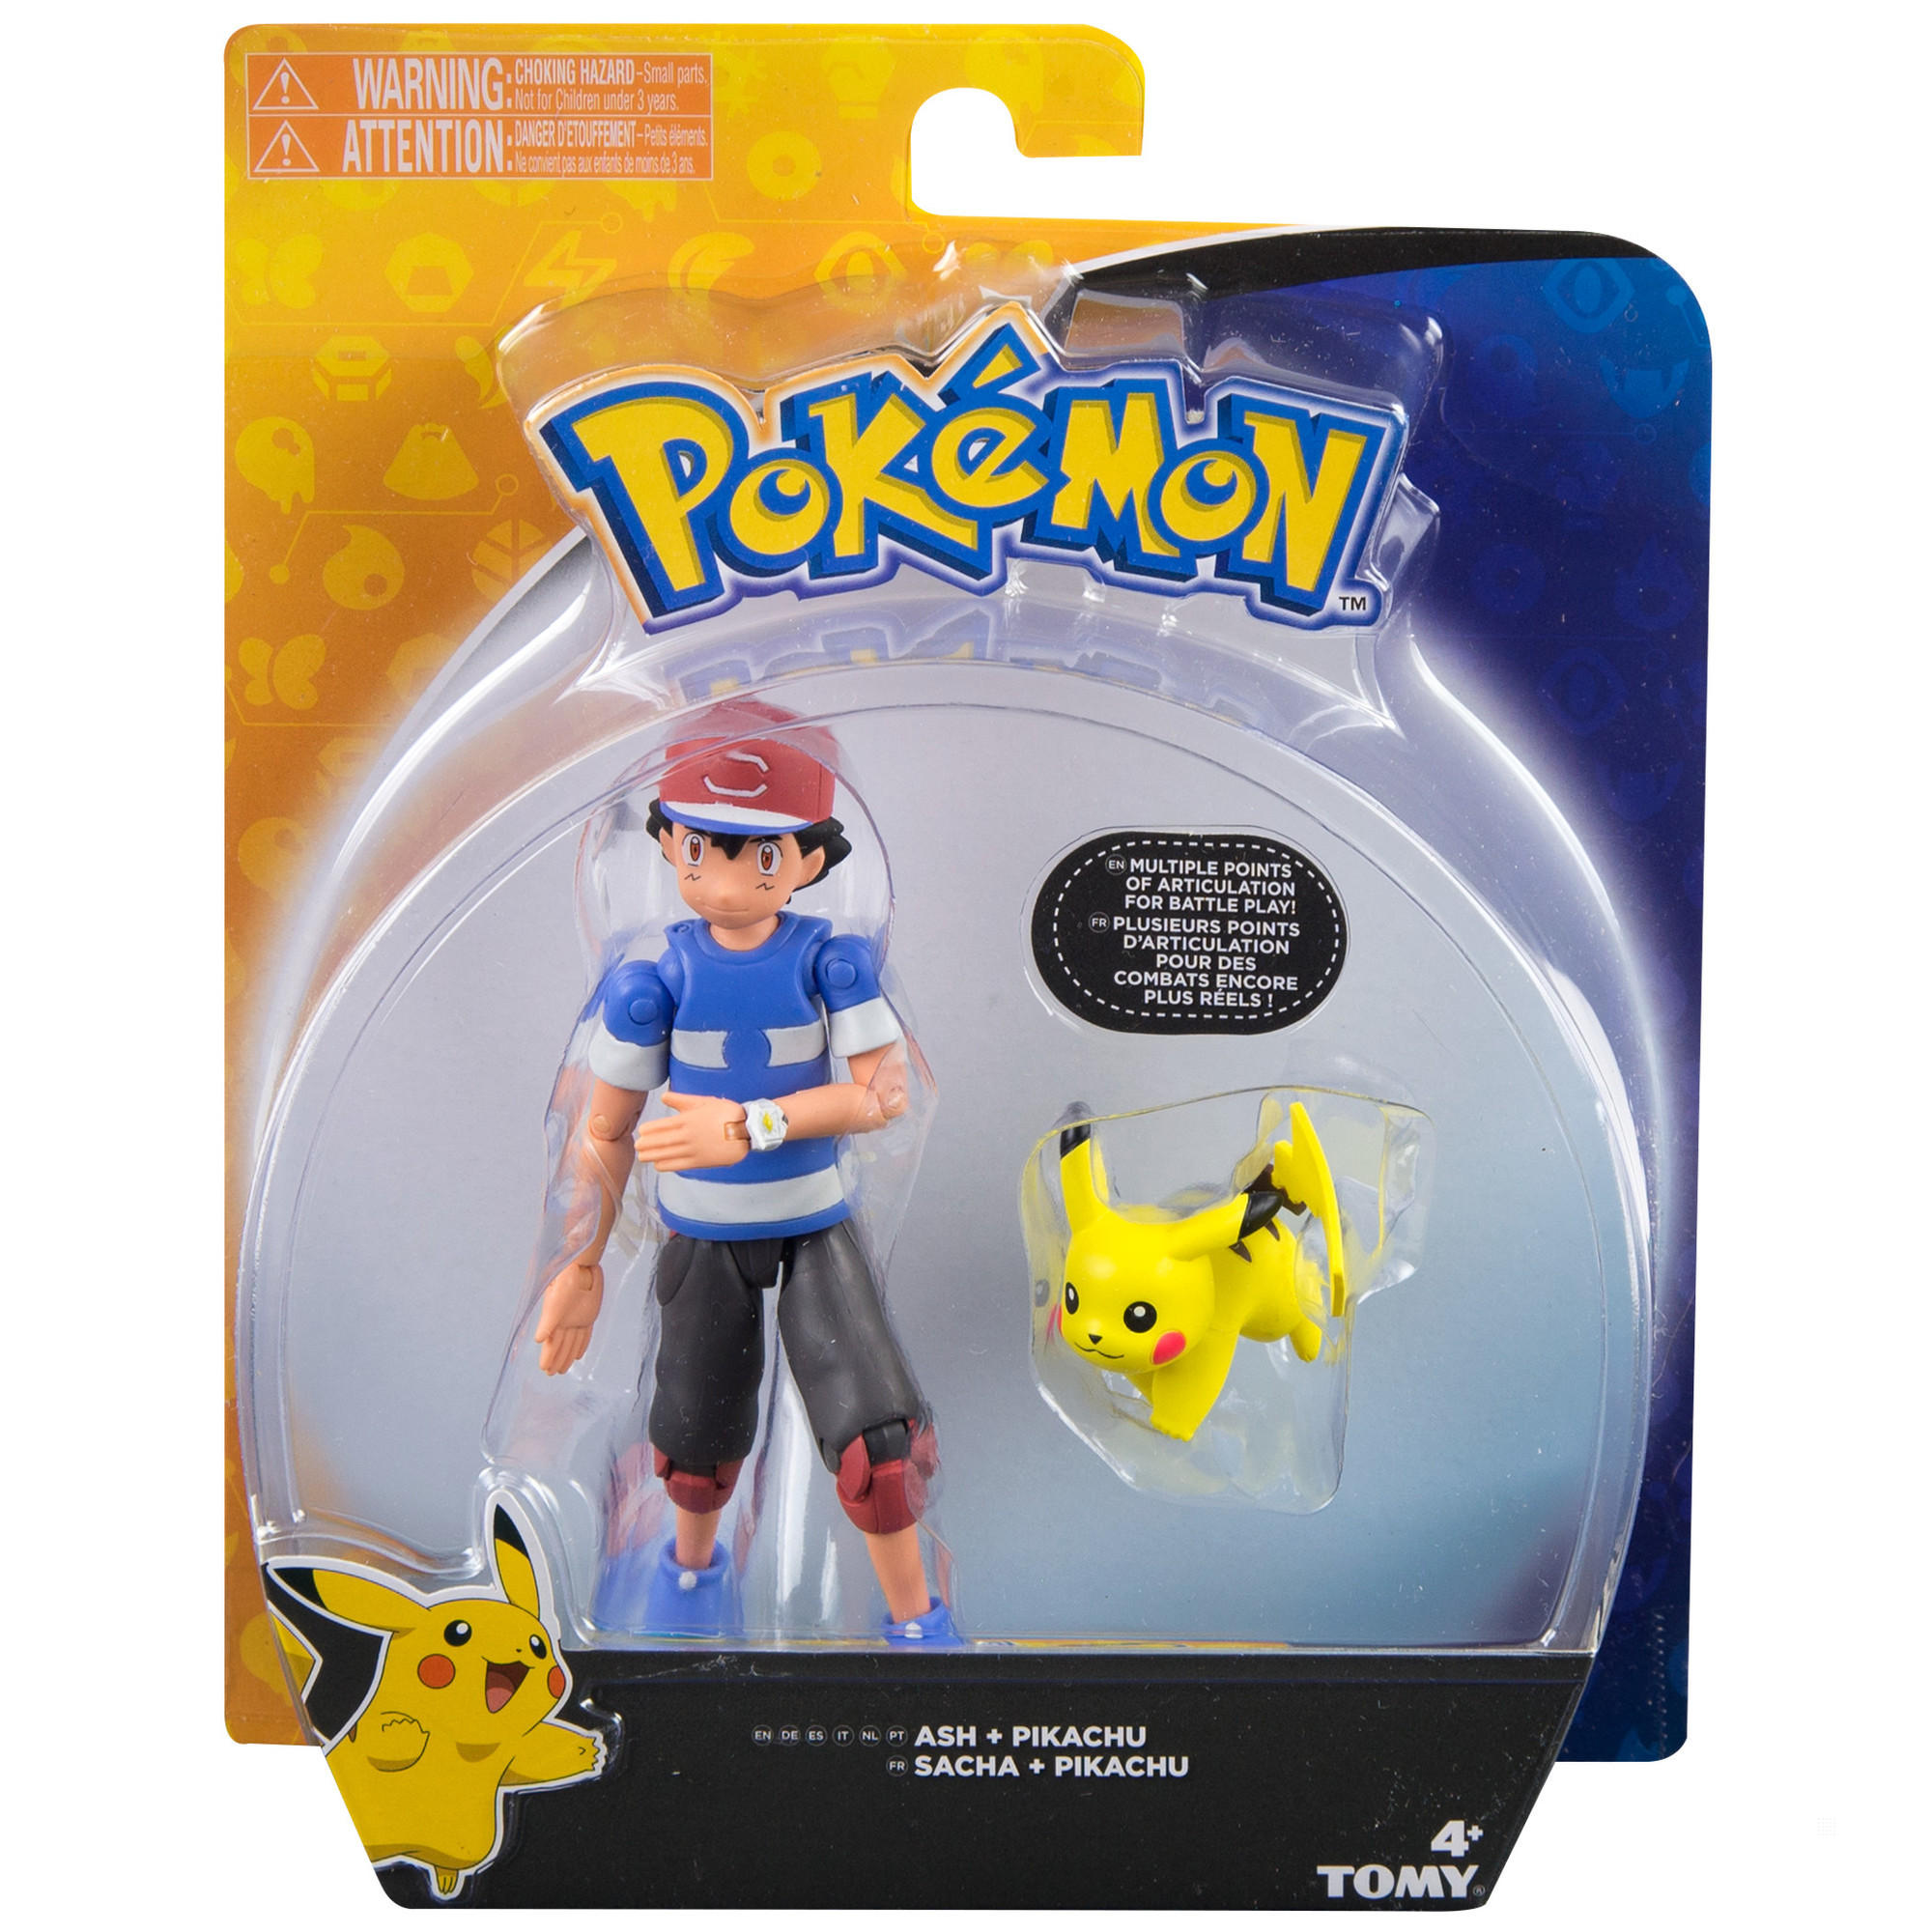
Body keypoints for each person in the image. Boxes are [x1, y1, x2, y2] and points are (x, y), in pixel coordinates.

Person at [534, 724, 955, 1643]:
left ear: (810, 859)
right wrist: (581, 1263)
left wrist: (753, 1124)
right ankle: (687, 1581)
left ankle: (919, 1623)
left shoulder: (828, 964)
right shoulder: (654, 983)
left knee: (878, 1451)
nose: (726, 882)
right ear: (666, 845)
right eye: (700, 851)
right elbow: (603, 1130)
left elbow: (884, 1096)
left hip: (815, 1228)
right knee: (693, 1443)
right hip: (703, 1236)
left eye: (761, 855)